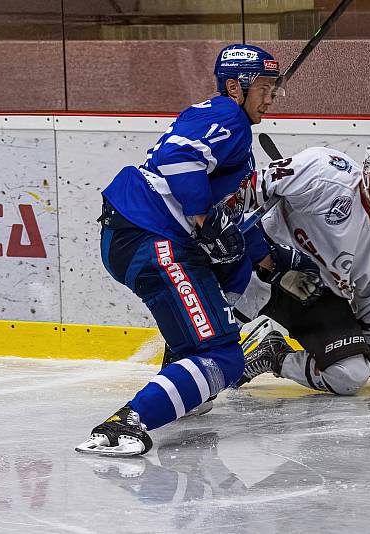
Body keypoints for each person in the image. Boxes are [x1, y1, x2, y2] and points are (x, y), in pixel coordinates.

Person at [76, 44, 290, 456]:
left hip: (142, 236)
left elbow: (233, 214)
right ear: (234, 86)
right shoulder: (229, 115)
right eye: (263, 87)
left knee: (236, 276)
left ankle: (181, 381)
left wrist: (268, 259)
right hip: (151, 236)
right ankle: (125, 423)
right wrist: (202, 218)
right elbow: (177, 158)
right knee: (225, 357)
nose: (270, 98)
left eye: (274, 88)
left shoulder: (231, 135)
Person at [234, 131, 370, 396]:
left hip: (312, 295)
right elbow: (239, 197)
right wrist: (268, 256)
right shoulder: (323, 172)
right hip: (258, 265)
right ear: (367, 171)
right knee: (208, 359)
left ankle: (273, 354)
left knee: (350, 376)